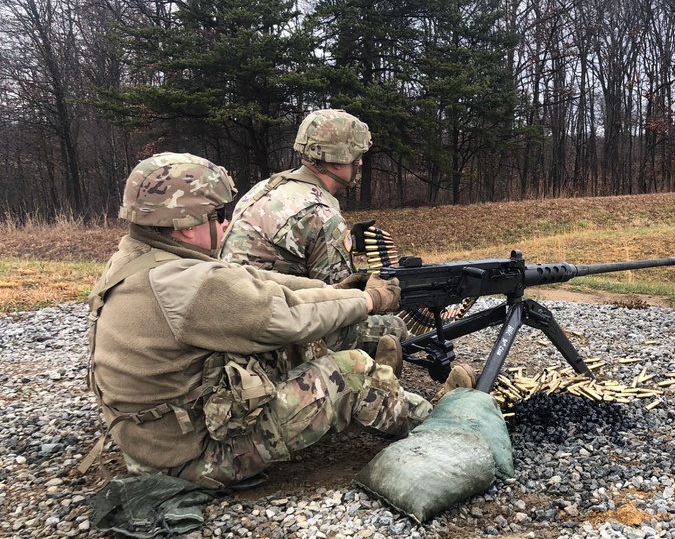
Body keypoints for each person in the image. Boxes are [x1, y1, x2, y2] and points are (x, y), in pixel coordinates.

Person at [87, 152, 465, 490]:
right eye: (219, 216)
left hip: (158, 439)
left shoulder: (140, 257)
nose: (226, 224)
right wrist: (367, 300)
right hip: (192, 459)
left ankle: (382, 395)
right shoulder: (185, 284)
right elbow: (289, 317)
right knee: (351, 371)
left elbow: (262, 284)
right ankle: (436, 420)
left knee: (307, 344)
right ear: (186, 226)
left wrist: (338, 289)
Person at [219, 109, 405, 358]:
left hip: (231, 314)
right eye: (357, 156)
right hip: (269, 331)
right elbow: (337, 303)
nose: (360, 163)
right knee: (395, 328)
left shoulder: (266, 187)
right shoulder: (321, 214)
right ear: (338, 159)